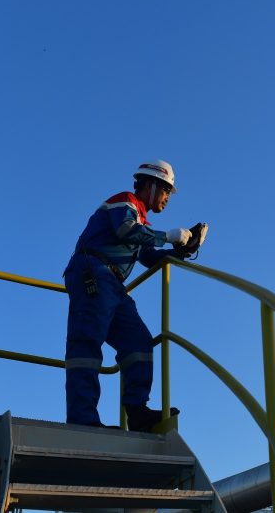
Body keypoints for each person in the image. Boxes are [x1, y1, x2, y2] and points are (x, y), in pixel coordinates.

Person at [63, 159, 191, 431]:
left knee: (139, 342)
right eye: (166, 190)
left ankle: (137, 412)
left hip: (112, 283)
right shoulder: (125, 201)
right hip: (93, 272)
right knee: (87, 342)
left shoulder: (140, 219)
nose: (167, 198)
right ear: (152, 185)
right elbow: (126, 229)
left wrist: (181, 251)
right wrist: (168, 236)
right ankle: (82, 420)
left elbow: (148, 257)